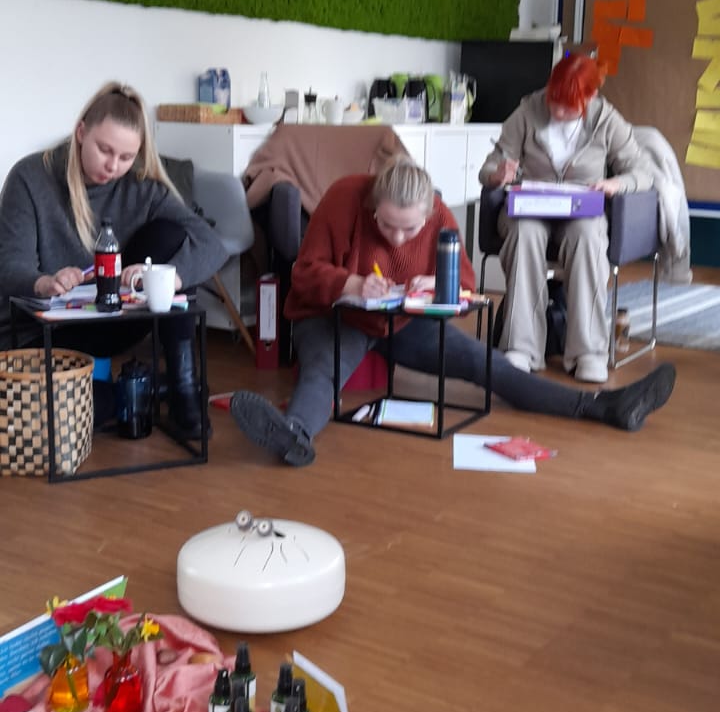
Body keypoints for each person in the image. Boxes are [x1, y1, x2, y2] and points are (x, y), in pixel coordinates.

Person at [230, 156, 675, 467]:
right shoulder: (344, 197)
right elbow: (304, 273)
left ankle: (602, 407)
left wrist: (435, 284)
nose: (397, 238)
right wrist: (351, 283)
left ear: (429, 213)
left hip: (401, 321)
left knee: (488, 364)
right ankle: (294, 436)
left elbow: (465, 283)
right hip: (333, 316)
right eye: (386, 225)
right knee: (321, 374)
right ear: (372, 206)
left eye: (409, 228)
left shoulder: (441, 216)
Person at [0, 81, 226, 434]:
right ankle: (138, 392)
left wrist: (169, 278)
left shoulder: (142, 186)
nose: (113, 166)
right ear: (80, 133)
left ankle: (184, 390)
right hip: (40, 331)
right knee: (67, 411)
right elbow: (9, 266)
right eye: (104, 150)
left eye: (126, 157)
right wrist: (44, 282)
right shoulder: (30, 177)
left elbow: (211, 243)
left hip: (104, 318)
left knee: (170, 236)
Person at [478, 51, 652, 382]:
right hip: (529, 210)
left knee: (588, 236)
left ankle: (588, 352)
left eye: (569, 107)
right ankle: (520, 347)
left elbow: (643, 171)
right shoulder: (527, 111)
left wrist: (616, 184)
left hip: (581, 213)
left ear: (591, 96)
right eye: (554, 101)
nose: (558, 112)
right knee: (525, 233)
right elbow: (490, 165)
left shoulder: (607, 120)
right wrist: (497, 173)